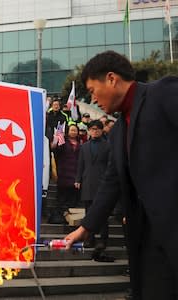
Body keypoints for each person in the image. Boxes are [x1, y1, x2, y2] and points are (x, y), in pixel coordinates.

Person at [65, 50, 178, 299]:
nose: (93, 100)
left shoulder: (163, 93)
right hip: (148, 239)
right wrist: (86, 227)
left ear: (112, 78)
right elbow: (111, 181)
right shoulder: (117, 132)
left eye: (93, 90)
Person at [74, 120, 114, 262]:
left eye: (97, 129)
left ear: (102, 130)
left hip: (103, 183)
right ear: (89, 130)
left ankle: (103, 239)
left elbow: (111, 165)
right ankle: (89, 238)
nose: (94, 131)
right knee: (88, 211)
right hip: (88, 182)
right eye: (92, 129)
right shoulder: (84, 146)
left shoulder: (108, 145)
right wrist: (78, 179)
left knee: (102, 213)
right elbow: (81, 164)